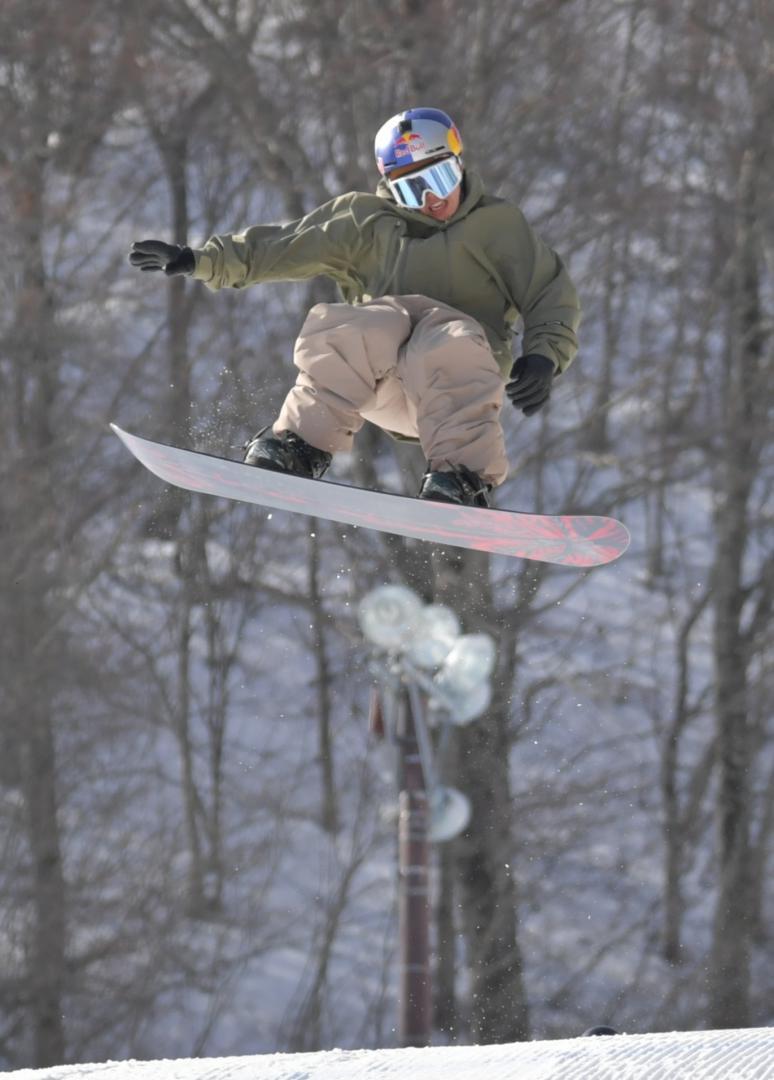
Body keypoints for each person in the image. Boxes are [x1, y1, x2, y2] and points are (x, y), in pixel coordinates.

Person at [129, 107, 580, 507]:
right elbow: (282, 247)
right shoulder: (364, 221)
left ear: (458, 164)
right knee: (363, 324)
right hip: (380, 386)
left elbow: (549, 292)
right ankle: (300, 446)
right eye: (411, 190)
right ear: (389, 187)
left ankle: (461, 478)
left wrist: (543, 358)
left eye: (439, 180)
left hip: (459, 386)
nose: (431, 200)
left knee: (445, 335)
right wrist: (198, 260)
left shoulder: (497, 226)